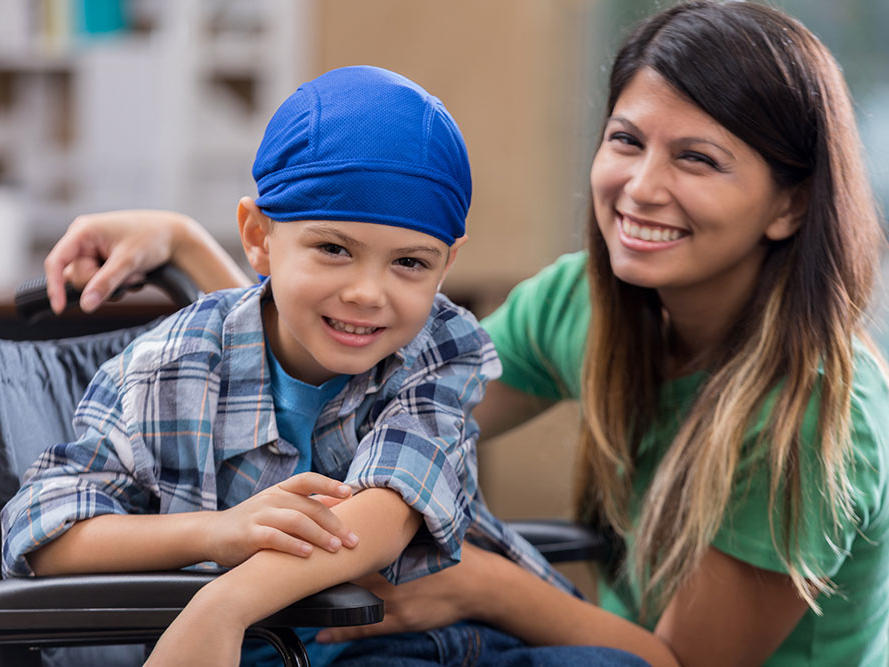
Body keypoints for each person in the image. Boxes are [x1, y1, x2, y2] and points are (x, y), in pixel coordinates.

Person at [32, 1, 889, 665]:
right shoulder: (585, 304)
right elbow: (349, 367)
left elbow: (672, 662)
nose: (640, 187)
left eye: (696, 159)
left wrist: (477, 583)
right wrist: (190, 245)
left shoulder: (813, 419)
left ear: (791, 203)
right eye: (626, 140)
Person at [2, 66, 644, 667]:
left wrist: (227, 601)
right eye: (334, 249)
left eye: (410, 263)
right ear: (257, 237)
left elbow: (388, 512)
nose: (369, 292)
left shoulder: (438, 348)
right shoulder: (168, 366)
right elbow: (43, 529)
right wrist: (215, 534)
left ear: (446, 266)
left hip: (436, 636)